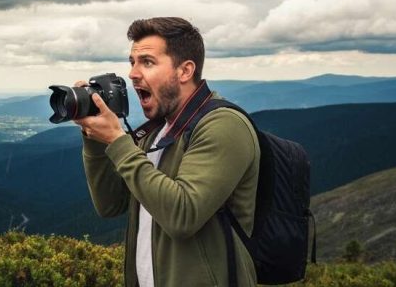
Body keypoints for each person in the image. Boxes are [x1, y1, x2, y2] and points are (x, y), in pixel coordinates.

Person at [75, 17, 260, 287]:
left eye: (147, 62)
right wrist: (93, 137)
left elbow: (183, 216)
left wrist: (117, 140)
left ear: (185, 71)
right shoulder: (157, 132)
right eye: (132, 62)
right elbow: (110, 204)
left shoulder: (224, 125)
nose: (133, 74)